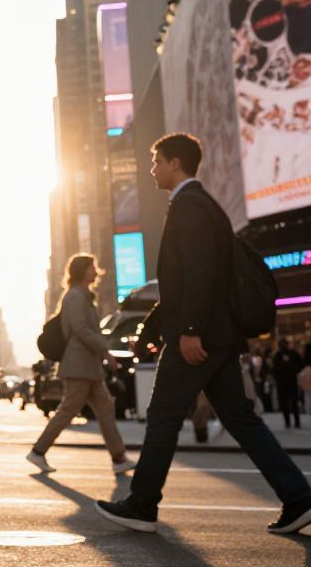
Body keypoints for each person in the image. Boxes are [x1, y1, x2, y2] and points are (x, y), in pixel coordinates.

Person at [96, 132, 311, 535]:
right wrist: (157, 326)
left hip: (199, 338)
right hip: (216, 336)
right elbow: (183, 279)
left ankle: (142, 505)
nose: (152, 168)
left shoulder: (191, 206)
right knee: (241, 420)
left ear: (176, 163)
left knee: (162, 417)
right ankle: (298, 496)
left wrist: (190, 329)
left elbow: (200, 273)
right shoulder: (200, 205)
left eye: (157, 160)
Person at [26, 255, 135, 475]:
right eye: (92, 267)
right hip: (78, 365)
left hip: (88, 366)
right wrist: (104, 350)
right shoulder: (75, 296)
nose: (96, 271)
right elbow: (80, 329)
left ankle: (118, 457)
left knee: (105, 408)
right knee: (68, 410)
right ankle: (38, 451)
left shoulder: (82, 296)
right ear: (82, 271)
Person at [272, 338, 303, 429]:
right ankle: (288, 422)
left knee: (293, 402)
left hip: (291, 382)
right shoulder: (277, 355)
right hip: (282, 383)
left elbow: (300, 365)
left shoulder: (293, 354)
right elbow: (275, 369)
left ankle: (296, 422)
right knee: (284, 403)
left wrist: (291, 370)